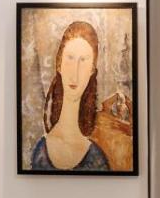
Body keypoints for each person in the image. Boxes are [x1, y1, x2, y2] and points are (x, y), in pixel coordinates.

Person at [30, 20, 110, 172]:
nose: (75, 72)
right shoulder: (39, 152)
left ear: (92, 70)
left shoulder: (97, 160)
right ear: (59, 64)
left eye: (83, 60)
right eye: (70, 58)